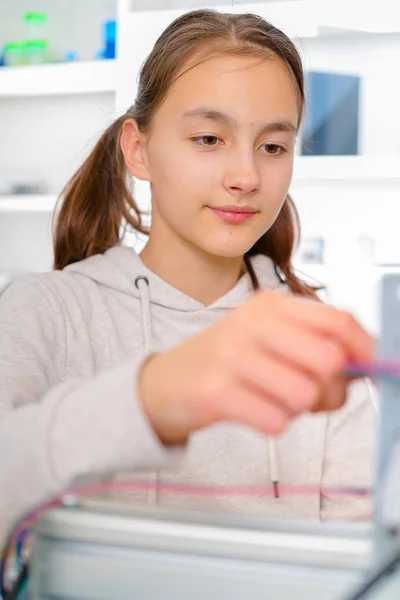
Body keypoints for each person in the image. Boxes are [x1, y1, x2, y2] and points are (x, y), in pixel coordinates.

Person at [0, 9, 375, 543]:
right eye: (208, 139)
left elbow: (364, 561)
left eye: (273, 146)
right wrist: (152, 397)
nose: (245, 177)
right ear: (139, 149)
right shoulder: (48, 312)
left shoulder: (315, 345)